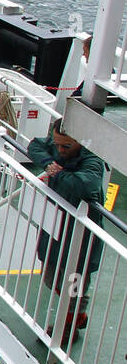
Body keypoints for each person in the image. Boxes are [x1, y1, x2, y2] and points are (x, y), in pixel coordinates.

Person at [27, 121, 107, 343]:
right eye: (57, 145)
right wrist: (49, 164)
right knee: (51, 277)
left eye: (66, 147)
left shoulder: (93, 160)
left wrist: (56, 173)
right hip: (55, 226)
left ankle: (68, 324)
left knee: (73, 282)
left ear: (81, 142)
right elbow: (34, 146)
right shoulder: (58, 146)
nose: (60, 150)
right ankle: (78, 314)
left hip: (80, 234)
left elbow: (85, 185)